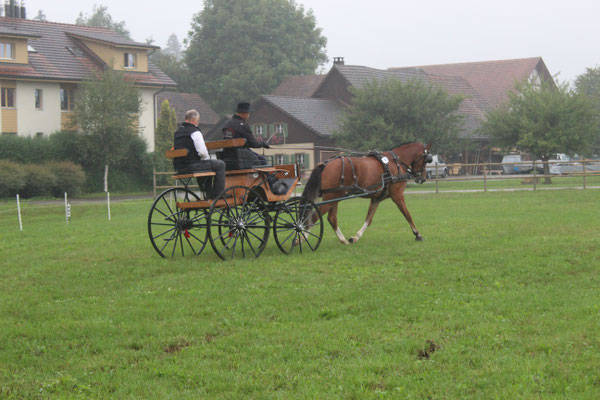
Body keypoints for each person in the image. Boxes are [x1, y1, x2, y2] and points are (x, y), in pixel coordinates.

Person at [173, 109, 226, 200]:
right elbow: (202, 152)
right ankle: (218, 195)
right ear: (194, 120)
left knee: (206, 165)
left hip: (179, 167)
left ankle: (207, 193)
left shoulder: (177, 133)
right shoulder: (195, 132)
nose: (198, 122)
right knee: (220, 164)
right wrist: (207, 160)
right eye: (198, 120)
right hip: (191, 165)